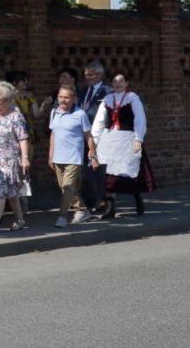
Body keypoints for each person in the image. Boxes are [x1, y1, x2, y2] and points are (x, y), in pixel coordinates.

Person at [90, 72, 157, 219]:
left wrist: (138, 139)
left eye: (121, 81)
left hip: (127, 139)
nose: (118, 84)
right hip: (109, 140)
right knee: (108, 177)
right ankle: (110, 209)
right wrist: (94, 142)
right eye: (115, 81)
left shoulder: (132, 98)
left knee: (128, 175)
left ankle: (137, 198)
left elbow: (140, 119)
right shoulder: (107, 99)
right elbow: (99, 122)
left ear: (127, 83)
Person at [0, 81, 32, 234]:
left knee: (1, 192)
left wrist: (25, 158)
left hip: (9, 160)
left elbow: (23, 138)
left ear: (9, 101)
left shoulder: (15, 117)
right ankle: (20, 219)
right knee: (11, 193)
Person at [47, 84, 96, 227]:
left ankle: (62, 216)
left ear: (74, 99)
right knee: (65, 187)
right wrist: (51, 155)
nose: (63, 100)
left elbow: (89, 136)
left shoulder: (80, 114)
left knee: (68, 187)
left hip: (73, 157)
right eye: (61, 97)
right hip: (58, 157)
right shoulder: (54, 112)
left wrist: (92, 152)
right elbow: (53, 134)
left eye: (67, 97)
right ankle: (83, 210)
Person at [79, 60, 112, 210]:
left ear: (100, 74)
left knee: (97, 169)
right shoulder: (83, 92)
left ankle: (99, 199)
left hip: (100, 136)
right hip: (84, 136)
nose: (88, 78)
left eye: (91, 75)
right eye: (86, 75)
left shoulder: (108, 92)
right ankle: (92, 199)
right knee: (87, 169)